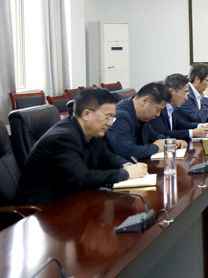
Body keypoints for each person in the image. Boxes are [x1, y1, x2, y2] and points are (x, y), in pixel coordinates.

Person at [15, 88, 148, 206]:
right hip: (43, 211)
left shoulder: (91, 131)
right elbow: (82, 178)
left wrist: (126, 165)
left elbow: (107, 157)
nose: (110, 124)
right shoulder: (63, 138)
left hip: (72, 200)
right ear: (86, 114)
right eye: (107, 117)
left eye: (112, 118)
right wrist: (125, 174)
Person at [105, 82, 188, 160]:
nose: (158, 114)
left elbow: (153, 137)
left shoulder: (141, 114)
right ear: (145, 101)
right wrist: (157, 148)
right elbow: (127, 151)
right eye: (157, 109)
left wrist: (171, 142)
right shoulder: (120, 116)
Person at [150, 74, 208, 141]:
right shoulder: (159, 109)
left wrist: (201, 126)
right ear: (171, 91)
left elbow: (180, 124)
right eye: (184, 93)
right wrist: (191, 133)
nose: (186, 98)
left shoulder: (171, 107)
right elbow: (162, 133)